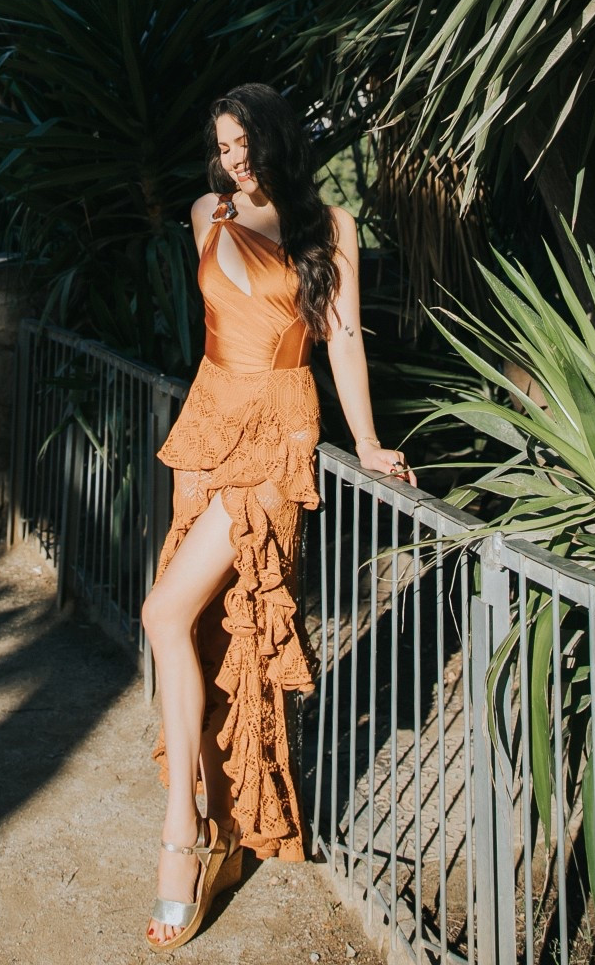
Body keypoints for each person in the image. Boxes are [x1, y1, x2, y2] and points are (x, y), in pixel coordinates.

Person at [142, 83, 413, 950]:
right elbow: (218, 322)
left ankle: (179, 843)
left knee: (163, 613)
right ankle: (208, 812)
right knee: (200, 629)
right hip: (209, 418)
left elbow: (340, 336)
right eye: (221, 145)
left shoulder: (329, 226)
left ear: (276, 138)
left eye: (245, 141)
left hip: (278, 427)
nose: (234, 158)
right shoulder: (204, 211)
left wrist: (366, 442)